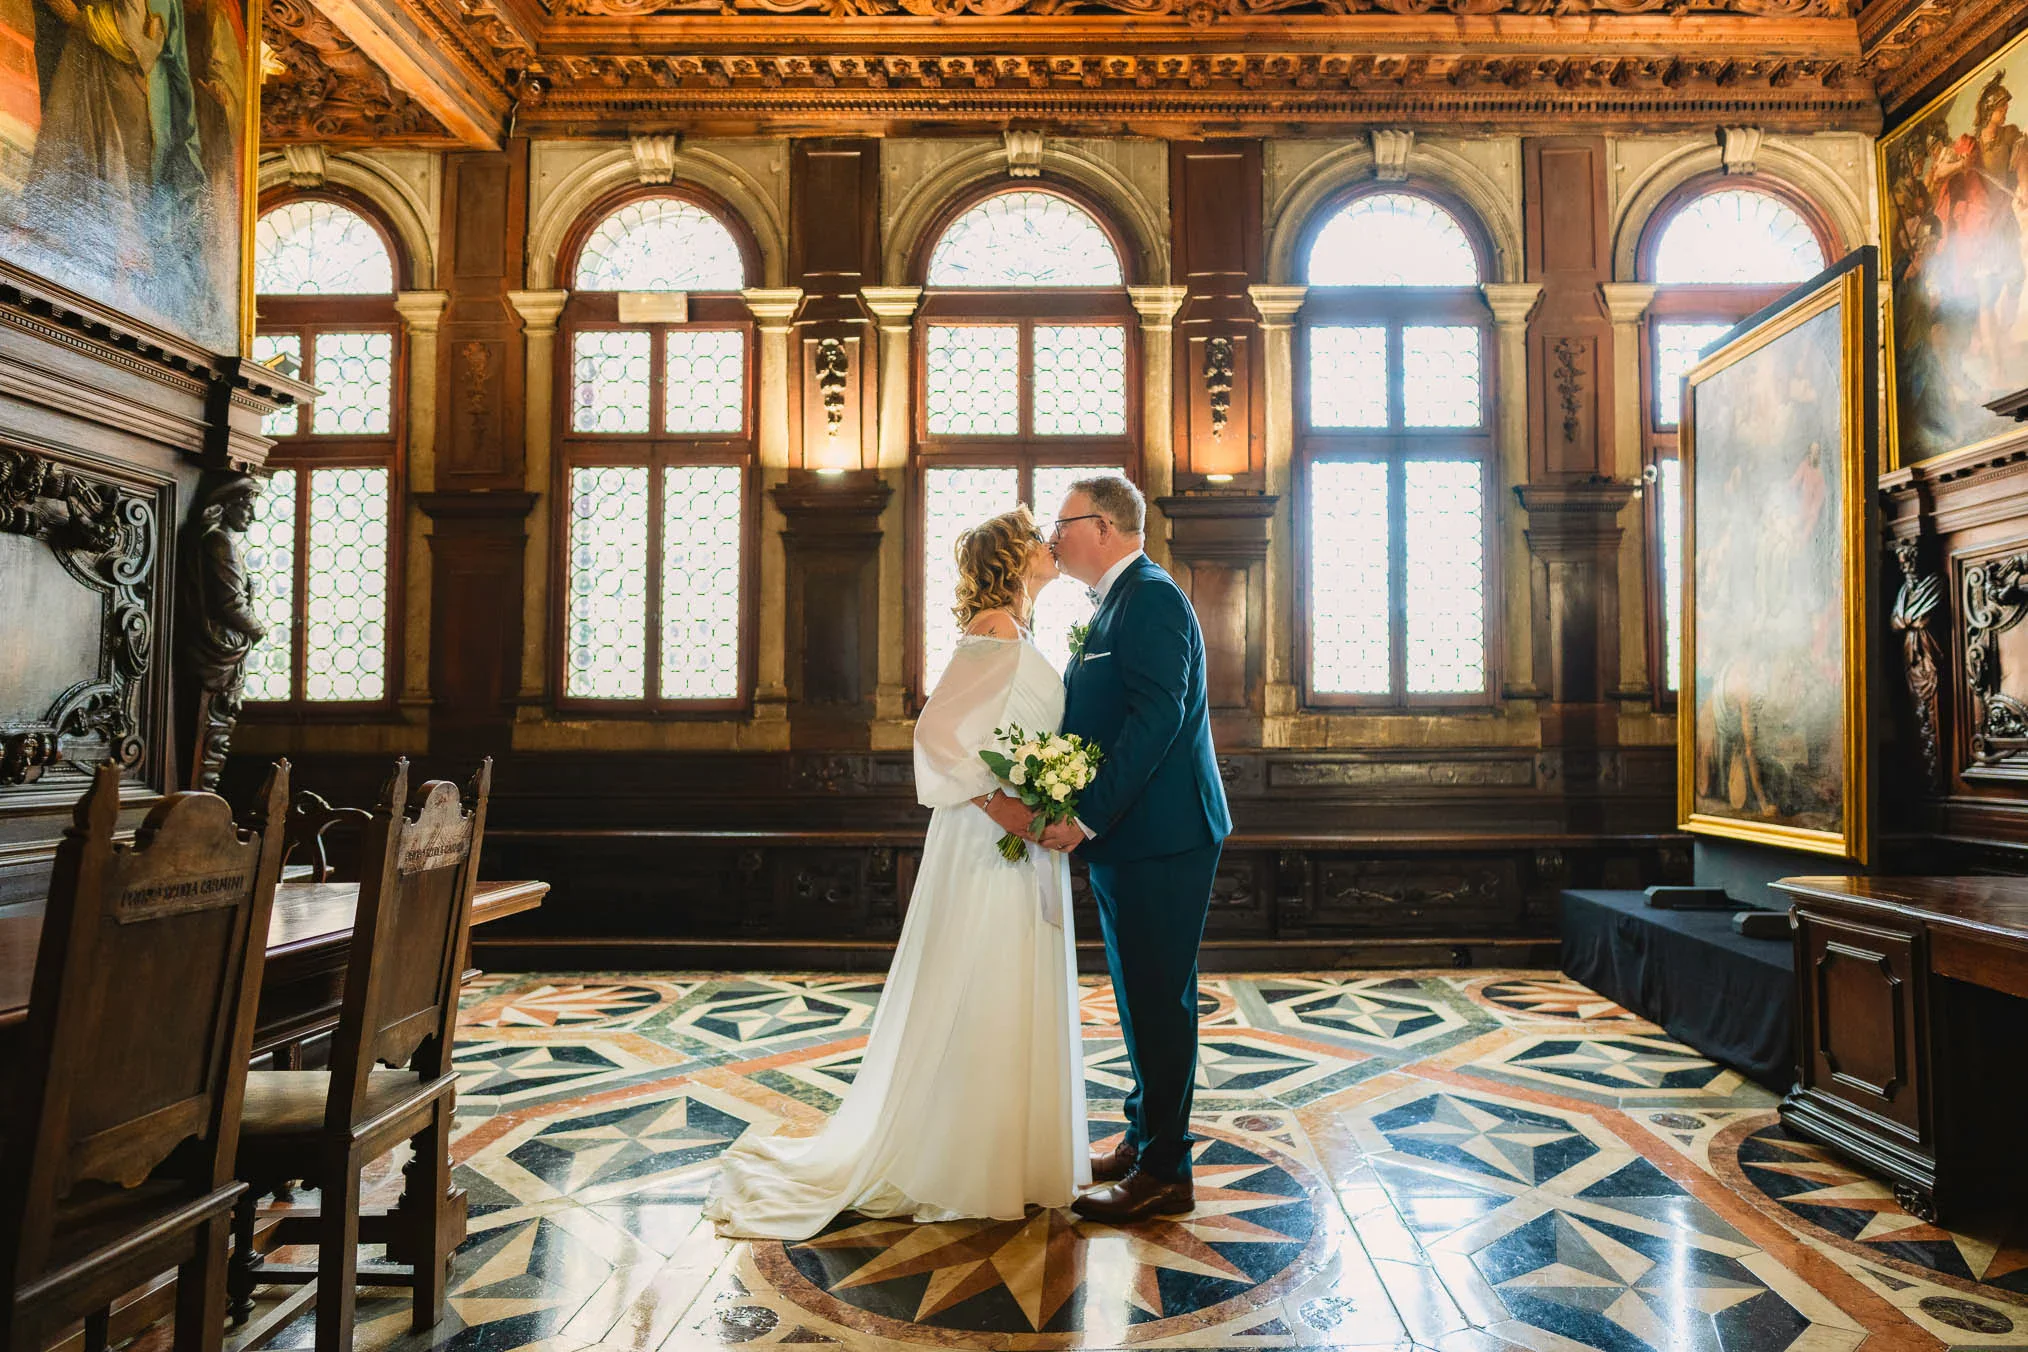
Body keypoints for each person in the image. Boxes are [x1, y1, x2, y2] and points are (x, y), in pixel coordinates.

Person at [704, 506, 1089, 1240]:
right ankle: (966, 1159)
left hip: (1015, 837)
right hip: (985, 843)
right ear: (1012, 560)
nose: (1049, 545)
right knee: (982, 978)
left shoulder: (1016, 629)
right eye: (1037, 536)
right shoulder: (995, 629)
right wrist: (1003, 806)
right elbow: (939, 732)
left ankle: (1012, 1154)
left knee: (1006, 980)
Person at [1035, 474, 1231, 1224]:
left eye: (1065, 522)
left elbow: (1157, 717)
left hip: (1163, 835)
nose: (1054, 537)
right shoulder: (1113, 602)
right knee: (1136, 996)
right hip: (1133, 837)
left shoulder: (1150, 597)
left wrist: (1084, 816)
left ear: (1107, 526)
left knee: (1159, 1000)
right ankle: (1144, 1136)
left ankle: (1165, 1174)